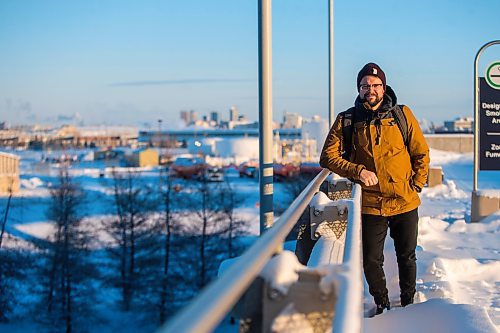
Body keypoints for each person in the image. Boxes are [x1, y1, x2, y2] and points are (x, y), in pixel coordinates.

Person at [319, 63, 430, 315]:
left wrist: (417, 184)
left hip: (404, 199)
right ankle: (382, 304)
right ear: (358, 89)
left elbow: (420, 152)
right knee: (370, 260)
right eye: (365, 85)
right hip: (371, 204)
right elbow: (327, 157)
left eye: (376, 85)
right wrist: (357, 171)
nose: (371, 89)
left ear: (384, 87)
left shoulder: (402, 114)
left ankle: (408, 302)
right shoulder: (347, 119)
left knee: (407, 256)